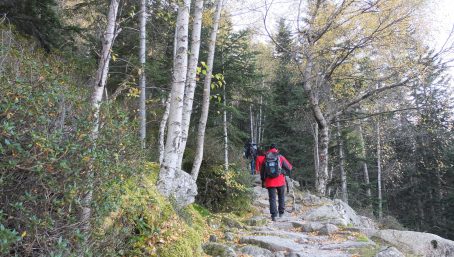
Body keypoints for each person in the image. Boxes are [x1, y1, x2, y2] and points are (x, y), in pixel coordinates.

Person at [259, 144, 293, 221]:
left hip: (270, 181)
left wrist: (263, 181)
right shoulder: (280, 157)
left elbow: (262, 171)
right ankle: (281, 213)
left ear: (269, 149)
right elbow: (289, 167)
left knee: (272, 198)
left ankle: (274, 215)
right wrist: (284, 172)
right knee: (281, 196)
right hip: (280, 180)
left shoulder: (266, 158)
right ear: (276, 149)